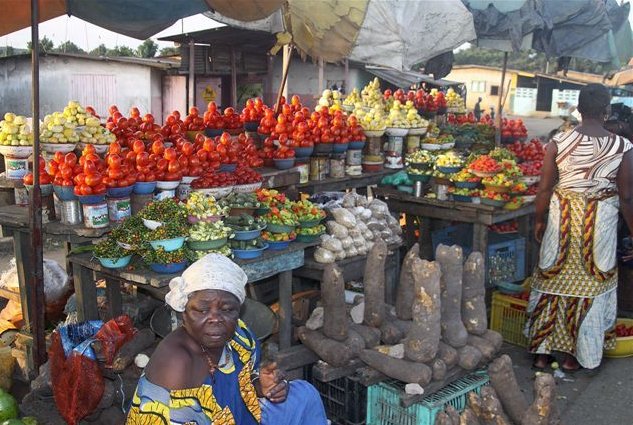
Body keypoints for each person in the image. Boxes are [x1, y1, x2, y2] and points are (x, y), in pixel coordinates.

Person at [126, 254, 327, 424]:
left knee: (305, 395)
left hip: (235, 415)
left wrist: (260, 386)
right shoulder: (177, 364)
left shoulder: (238, 334)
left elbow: (241, 382)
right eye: (202, 310)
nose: (215, 319)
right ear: (184, 314)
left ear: (238, 311)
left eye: (227, 309)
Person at [527, 83, 633, 371]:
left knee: (553, 279)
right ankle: (575, 356)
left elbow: (545, 188)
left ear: (578, 109)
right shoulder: (623, 147)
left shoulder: (558, 142)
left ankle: (542, 352)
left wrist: (539, 219)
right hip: (599, 223)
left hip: (561, 219)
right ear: (606, 111)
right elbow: (625, 196)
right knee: (590, 284)